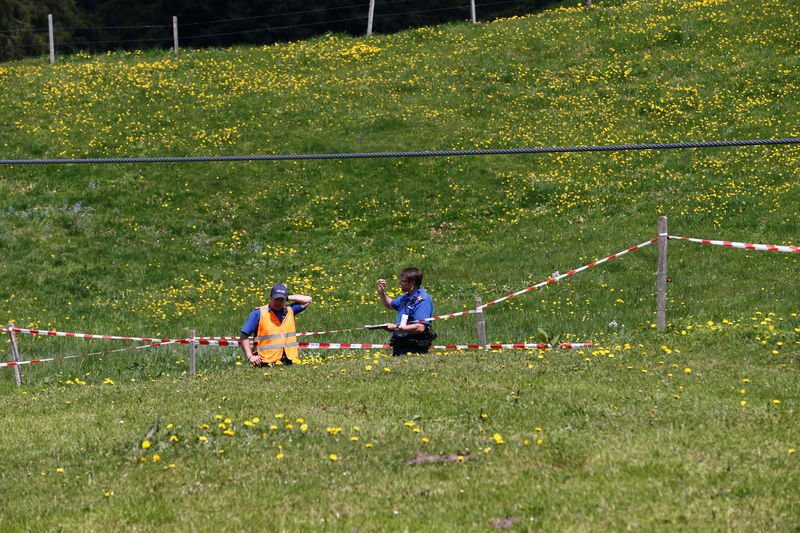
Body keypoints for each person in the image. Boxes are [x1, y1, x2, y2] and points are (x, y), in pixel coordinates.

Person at [240, 284, 312, 366]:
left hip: (288, 362)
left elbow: (308, 300)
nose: (278, 303)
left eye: (281, 300)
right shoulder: (259, 312)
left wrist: (287, 297)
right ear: (270, 297)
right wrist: (250, 356)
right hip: (265, 362)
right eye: (276, 299)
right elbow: (244, 335)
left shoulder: (290, 310)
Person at [377, 267, 436, 356]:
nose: (400, 283)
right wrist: (381, 293)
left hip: (414, 349)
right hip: (400, 345)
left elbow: (420, 327)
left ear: (412, 283)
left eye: (403, 281)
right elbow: (390, 304)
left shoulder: (423, 300)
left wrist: (395, 328)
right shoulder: (407, 297)